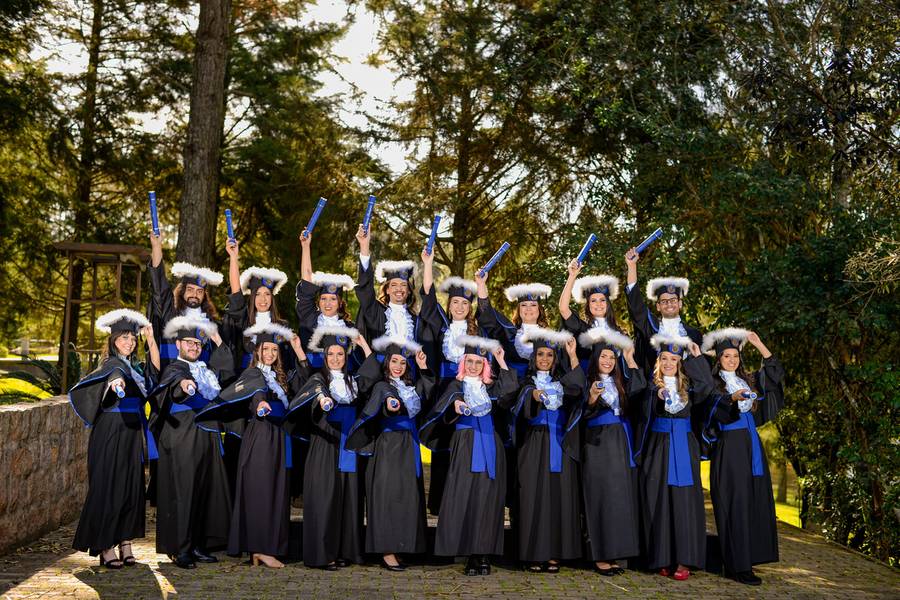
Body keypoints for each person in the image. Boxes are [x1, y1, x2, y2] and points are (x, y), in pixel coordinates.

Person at [196, 322, 307, 569]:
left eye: (274, 350)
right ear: (257, 351)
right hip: (261, 435)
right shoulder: (254, 374)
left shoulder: (279, 377)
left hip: (278, 437)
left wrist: (299, 352)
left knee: (275, 492)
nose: (270, 354)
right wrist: (260, 406)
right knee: (261, 492)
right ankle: (260, 548)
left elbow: (305, 386)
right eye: (265, 349)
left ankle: (266, 548)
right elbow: (256, 395)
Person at [419, 336, 518, 576]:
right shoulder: (456, 385)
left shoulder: (491, 387)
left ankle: (482, 554)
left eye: (479, 362)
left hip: (490, 444)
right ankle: (466, 552)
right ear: (463, 363)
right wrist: (454, 407)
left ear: (485, 365)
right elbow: (442, 408)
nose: (474, 366)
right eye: (470, 361)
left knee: (488, 498)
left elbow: (511, 391)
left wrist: (502, 362)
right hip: (465, 444)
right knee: (465, 496)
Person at [69, 309, 160, 568]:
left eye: (132, 338)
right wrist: (117, 385)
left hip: (131, 432)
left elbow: (155, 372)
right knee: (109, 485)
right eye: (124, 338)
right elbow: (114, 378)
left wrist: (151, 341)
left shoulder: (135, 368)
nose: (129, 343)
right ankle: (106, 546)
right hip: (111, 431)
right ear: (112, 340)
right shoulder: (113, 365)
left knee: (131, 486)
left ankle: (125, 543)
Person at [285, 326, 374, 570]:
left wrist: (364, 344)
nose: (336, 359)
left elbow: (373, 374)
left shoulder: (352, 381)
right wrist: (323, 400)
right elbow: (312, 392)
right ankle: (322, 554)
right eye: (331, 355)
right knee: (326, 497)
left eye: (340, 355)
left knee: (347, 497)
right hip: (325, 443)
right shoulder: (319, 379)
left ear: (346, 357)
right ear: (325, 357)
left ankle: (345, 550)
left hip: (347, 442)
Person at [149, 316, 234, 569]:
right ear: (178, 344)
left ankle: (197, 544)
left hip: (205, 435)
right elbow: (175, 385)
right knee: (183, 491)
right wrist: (185, 386)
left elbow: (228, 371)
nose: (194, 347)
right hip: (182, 435)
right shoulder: (175, 368)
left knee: (202, 490)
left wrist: (217, 339)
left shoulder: (205, 370)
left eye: (198, 344)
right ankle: (180, 548)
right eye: (189, 343)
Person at [702, 328, 785, 586]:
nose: (731, 360)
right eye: (726, 356)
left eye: (735, 355)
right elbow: (712, 410)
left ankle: (749, 559)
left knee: (752, 500)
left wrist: (759, 344)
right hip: (730, 447)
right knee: (735, 503)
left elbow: (774, 375)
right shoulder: (714, 384)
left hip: (751, 445)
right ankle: (737, 565)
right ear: (718, 359)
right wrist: (731, 399)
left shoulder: (747, 379)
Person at [346, 335, 435, 571]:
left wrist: (424, 366)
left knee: (406, 496)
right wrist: (390, 405)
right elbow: (385, 402)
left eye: (402, 363)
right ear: (387, 363)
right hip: (388, 446)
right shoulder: (382, 386)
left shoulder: (409, 387)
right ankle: (386, 550)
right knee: (387, 495)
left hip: (408, 445)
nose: (398, 366)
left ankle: (402, 544)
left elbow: (426, 392)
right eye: (394, 361)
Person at [635, 334, 716, 581]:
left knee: (683, 501)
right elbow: (640, 408)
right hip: (657, 447)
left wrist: (696, 355)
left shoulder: (689, 387)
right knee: (658, 499)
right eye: (664, 359)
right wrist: (656, 396)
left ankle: (684, 559)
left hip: (683, 445)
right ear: (658, 361)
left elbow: (708, 386)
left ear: (680, 362)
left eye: (674, 359)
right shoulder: (650, 386)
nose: (669, 363)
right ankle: (662, 557)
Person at [512, 328, 585, 573]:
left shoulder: (562, 381)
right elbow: (517, 401)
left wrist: (573, 355)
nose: (545, 359)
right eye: (540, 354)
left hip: (559, 443)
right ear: (534, 357)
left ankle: (555, 553)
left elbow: (579, 387)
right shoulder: (526, 380)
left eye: (550, 355)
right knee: (533, 496)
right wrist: (532, 394)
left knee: (558, 496)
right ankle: (533, 553)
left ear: (555, 359)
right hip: (533, 444)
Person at [577, 328, 645, 576]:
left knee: (619, 497)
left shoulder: (620, 383)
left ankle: (616, 553)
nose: (607, 361)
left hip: (620, 442)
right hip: (597, 443)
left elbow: (641, 389)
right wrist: (593, 397)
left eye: (611, 358)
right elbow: (582, 412)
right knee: (600, 497)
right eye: (603, 357)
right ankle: (600, 556)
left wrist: (629, 359)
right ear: (595, 360)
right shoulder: (586, 382)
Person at [418, 246, 480, 515]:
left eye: (465, 303)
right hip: (444, 390)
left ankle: (465, 498)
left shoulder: (478, 332)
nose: (459, 306)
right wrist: (428, 263)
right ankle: (442, 503)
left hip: (470, 390)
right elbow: (428, 296)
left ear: (469, 307)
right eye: (455, 302)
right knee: (444, 445)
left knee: (466, 443)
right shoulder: (441, 325)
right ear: (450, 304)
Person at [147, 228, 223, 368]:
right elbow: (159, 286)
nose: (194, 294)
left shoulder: (211, 324)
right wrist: (156, 247)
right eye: (190, 289)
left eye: (199, 291)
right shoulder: (170, 314)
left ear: (204, 295)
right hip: (170, 377)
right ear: (182, 291)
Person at [623, 248, 702, 374]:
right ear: (658, 306)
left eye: (673, 300)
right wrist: (632, 266)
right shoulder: (651, 328)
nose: (669, 304)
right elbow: (636, 305)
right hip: (654, 390)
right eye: (664, 301)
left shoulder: (695, 335)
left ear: (680, 303)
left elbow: (703, 372)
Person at [222, 238, 292, 372]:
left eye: (267, 294)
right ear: (252, 297)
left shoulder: (283, 326)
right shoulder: (244, 320)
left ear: (272, 298)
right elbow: (236, 292)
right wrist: (233, 257)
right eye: (258, 294)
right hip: (245, 379)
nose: (263, 299)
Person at [295, 228, 356, 370]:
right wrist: (305, 247)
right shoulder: (309, 318)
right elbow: (307, 281)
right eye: (323, 298)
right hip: (310, 378)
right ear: (318, 301)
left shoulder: (349, 328)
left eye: (333, 299)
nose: (327, 303)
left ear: (340, 302)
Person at [354, 222, 420, 346]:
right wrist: (364, 245)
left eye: (403, 285)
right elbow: (365, 289)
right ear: (387, 290)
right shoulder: (376, 312)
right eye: (394, 285)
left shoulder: (416, 320)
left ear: (409, 290)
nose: (399, 289)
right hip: (379, 365)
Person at [475, 273, 552, 378]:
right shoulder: (508, 333)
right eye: (524, 305)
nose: (528, 309)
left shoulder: (550, 338)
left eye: (533, 305)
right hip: (512, 389)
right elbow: (486, 313)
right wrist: (481, 284)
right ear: (519, 310)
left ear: (539, 310)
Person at [558, 259, 626, 373]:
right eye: (593, 300)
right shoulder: (582, 329)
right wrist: (572, 276)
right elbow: (563, 309)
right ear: (588, 305)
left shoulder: (619, 332)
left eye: (602, 300)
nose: (598, 304)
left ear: (608, 304)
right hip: (588, 384)